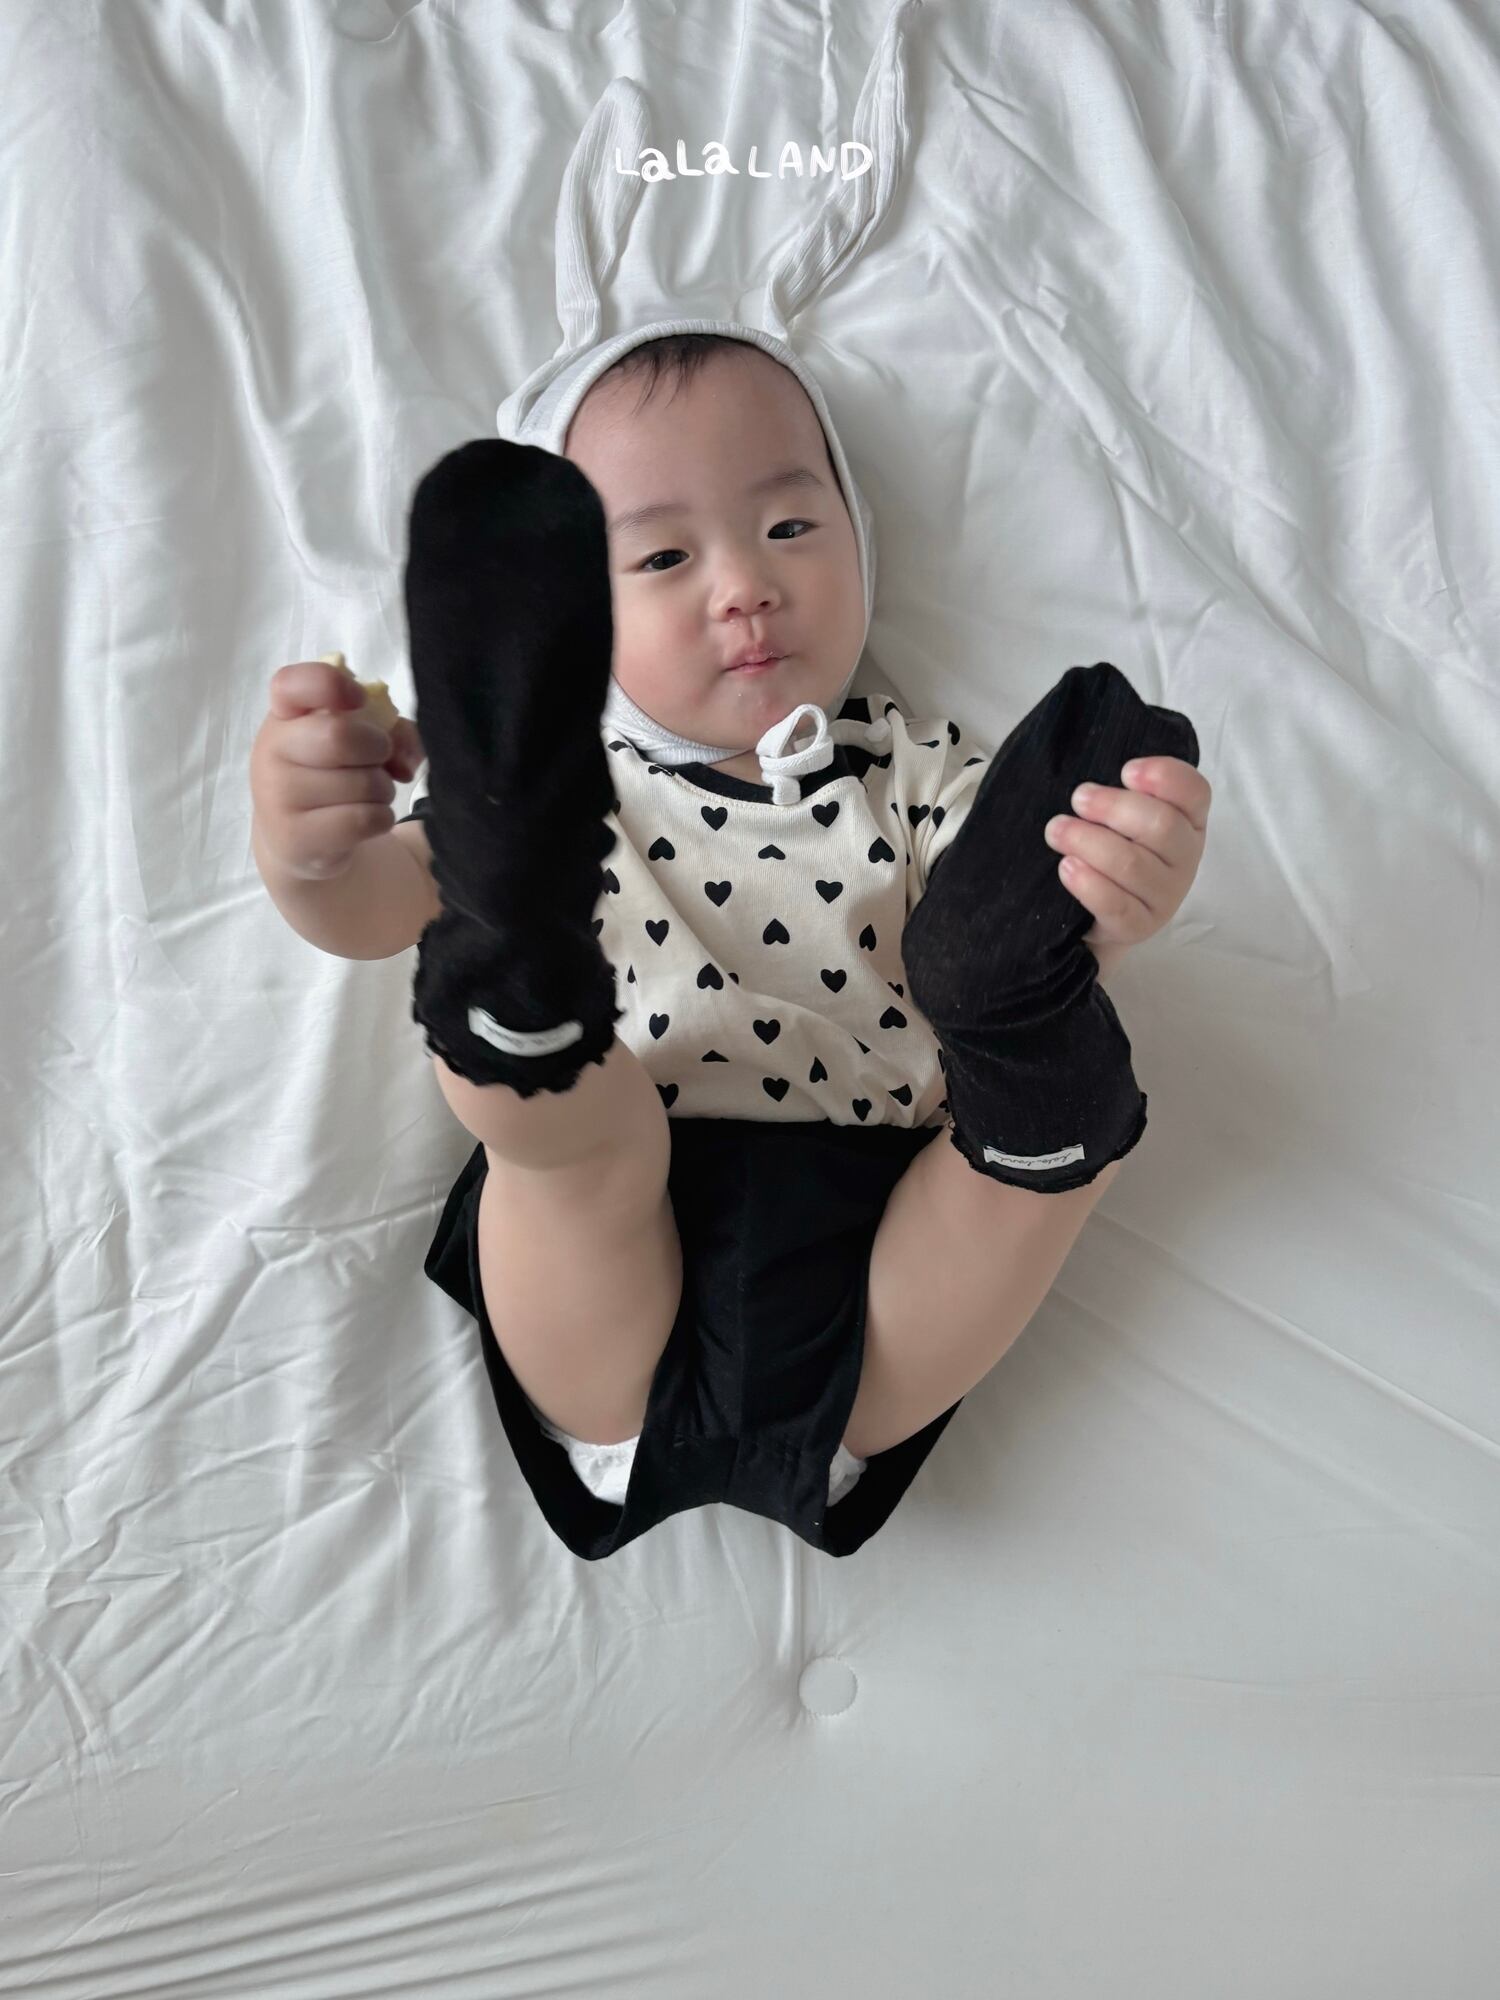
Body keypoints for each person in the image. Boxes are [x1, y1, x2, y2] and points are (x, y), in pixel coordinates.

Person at [249, 328, 1212, 1561]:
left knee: (1026, 1148)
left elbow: (1047, 919)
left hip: (882, 1251)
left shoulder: (922, 774)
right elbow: (377, 907)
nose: (745, 583)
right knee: (580, 1136)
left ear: (860, 539)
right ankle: (520, 1013)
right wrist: (313, 858)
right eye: (663, 555)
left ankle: (1032, 1064)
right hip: (617, 1242)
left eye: (791, 527)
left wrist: (1110, 894)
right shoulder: (553, 793)